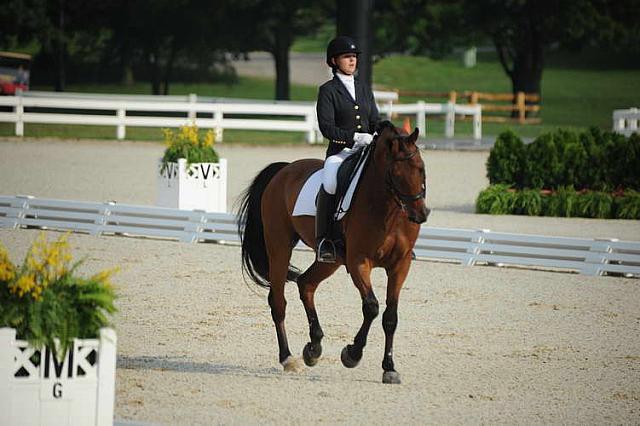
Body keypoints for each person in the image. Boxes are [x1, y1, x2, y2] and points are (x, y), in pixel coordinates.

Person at [315, 35, 380, 263]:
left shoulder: (364, 88)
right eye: (346, 57)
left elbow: (374, 120)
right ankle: (325, 240)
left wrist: (386, 132)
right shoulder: (328, 91)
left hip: (367, 150)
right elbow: (327, 128)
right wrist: (354, 138)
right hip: (341, 152)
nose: (352, 61)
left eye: (354, 57)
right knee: (330, 180)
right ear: (334, 61)